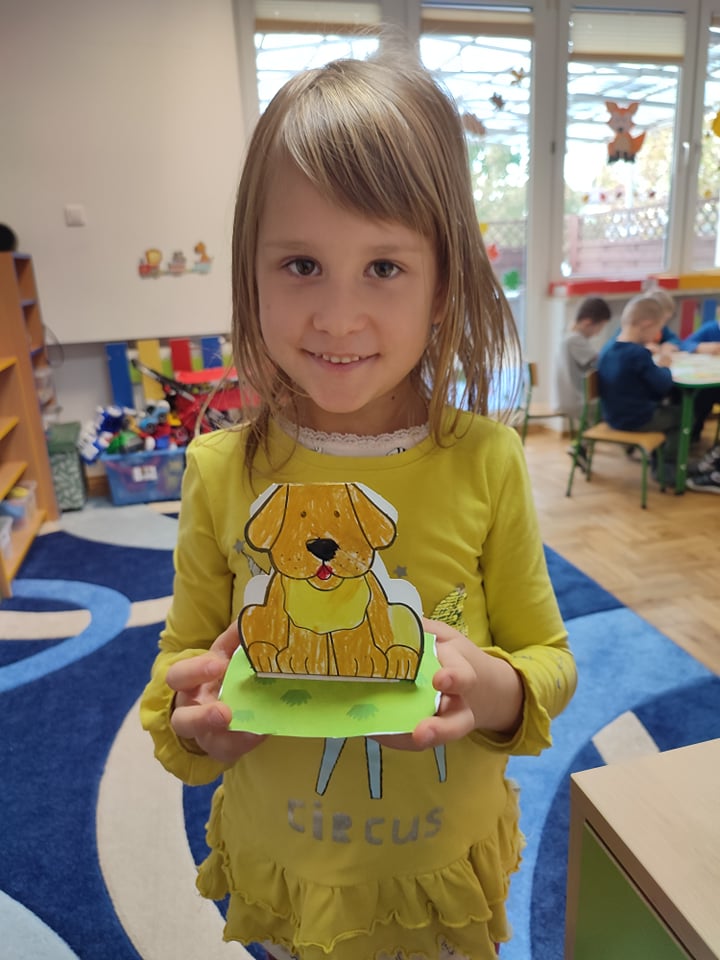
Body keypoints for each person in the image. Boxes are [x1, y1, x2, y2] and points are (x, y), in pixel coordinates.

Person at [140, 50, 576, 960]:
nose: (338, 317)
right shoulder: (218, 469)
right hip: (290, 866)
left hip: (439, 867)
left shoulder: (486, 460)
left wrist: (492, 689)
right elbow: (181, 666)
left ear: (443, 284)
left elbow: (548, 659)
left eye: (383, 266)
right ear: (251, 276)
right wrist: (198, 725)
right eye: (301, 263)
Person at [598, 294, 681, 478]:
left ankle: (660, 461)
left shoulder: (607, 349)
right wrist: (665, 367)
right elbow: (663, 385)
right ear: (647, 324)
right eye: (657, 329)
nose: (656, 336)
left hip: (612, 416)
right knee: (681, 415)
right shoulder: (638, 354)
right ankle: (666, 469)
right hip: (638, 419)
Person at [555, 296, 612, 422]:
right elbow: (601, 361)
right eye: (600, 327)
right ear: (587, 322)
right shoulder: (575, 340)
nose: (598, 332)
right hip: (577, 402)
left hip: (569, 400)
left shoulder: (569, 336)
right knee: (619, 408)